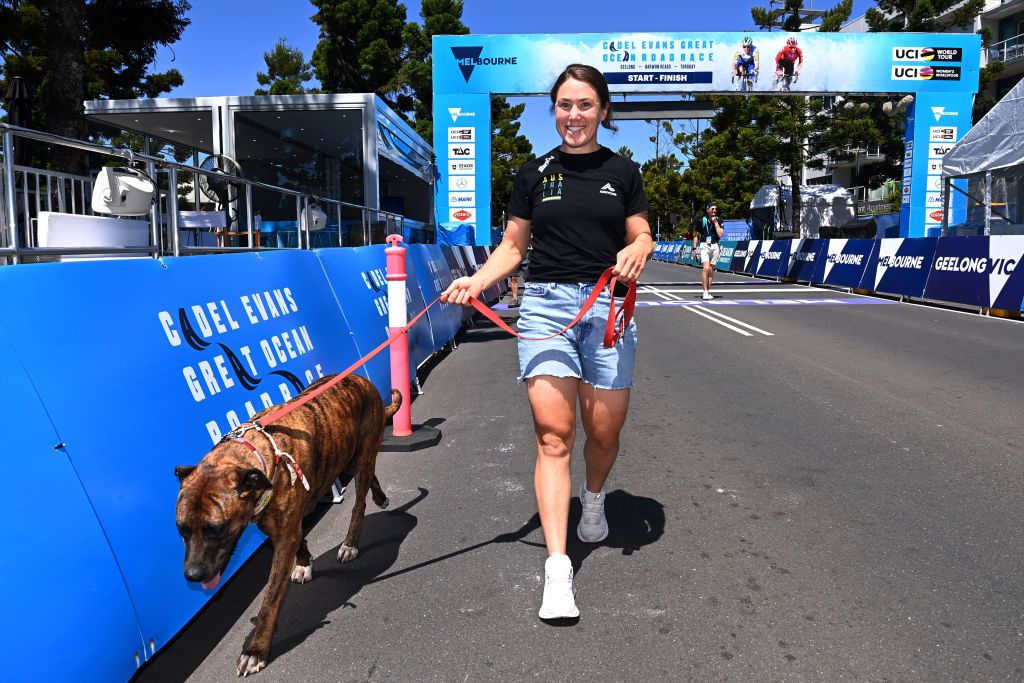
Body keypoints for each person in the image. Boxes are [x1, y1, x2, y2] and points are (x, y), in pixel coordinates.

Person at [440, 63, 653, 621]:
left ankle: (596, 497)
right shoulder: (532, 173)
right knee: (554, 434)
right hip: (545, 306)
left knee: (603, 431)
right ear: (553, 110)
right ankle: (558, 569)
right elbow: (513, 247)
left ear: (603, 111)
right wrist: (477, 280)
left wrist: (641, 249)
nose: (574, 115)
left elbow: (640, 232)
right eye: (564, 105)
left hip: (607, 305)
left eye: (585, 105)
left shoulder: (624, 171)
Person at [693, 201, 724, 299]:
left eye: (715, 209)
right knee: (706, 268)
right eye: (712, 209)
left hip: (715, 245)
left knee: (711, 270)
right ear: (708, 210)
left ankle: (707, 291)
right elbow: (696, 235)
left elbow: (720, 235)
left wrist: (715, 223)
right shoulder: (702, 221)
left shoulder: (719, 220)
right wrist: (694, 248)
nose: (714, 210)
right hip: (704, 245)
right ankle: (705, 292)